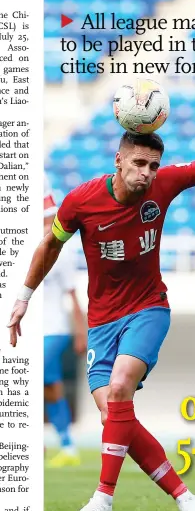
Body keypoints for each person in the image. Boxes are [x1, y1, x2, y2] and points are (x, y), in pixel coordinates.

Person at [8, 134, 195, 511]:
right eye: (139, 164)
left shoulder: (163, 184)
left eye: (153, 166)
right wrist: (24, 297)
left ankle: (102, 502)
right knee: (115, 413)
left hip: (148, 309)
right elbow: (50, 246)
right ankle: (185, 497)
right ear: (119, 161)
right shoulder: (81, 201)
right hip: (102, 323)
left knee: (121, 385)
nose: (147, 174)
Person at [43, 173, 87, 467]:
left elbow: (72, 293)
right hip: (32, 327)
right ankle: (68, 446)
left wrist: (81, 329)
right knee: (51, 386)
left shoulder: (63, 250)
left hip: (54, 327)